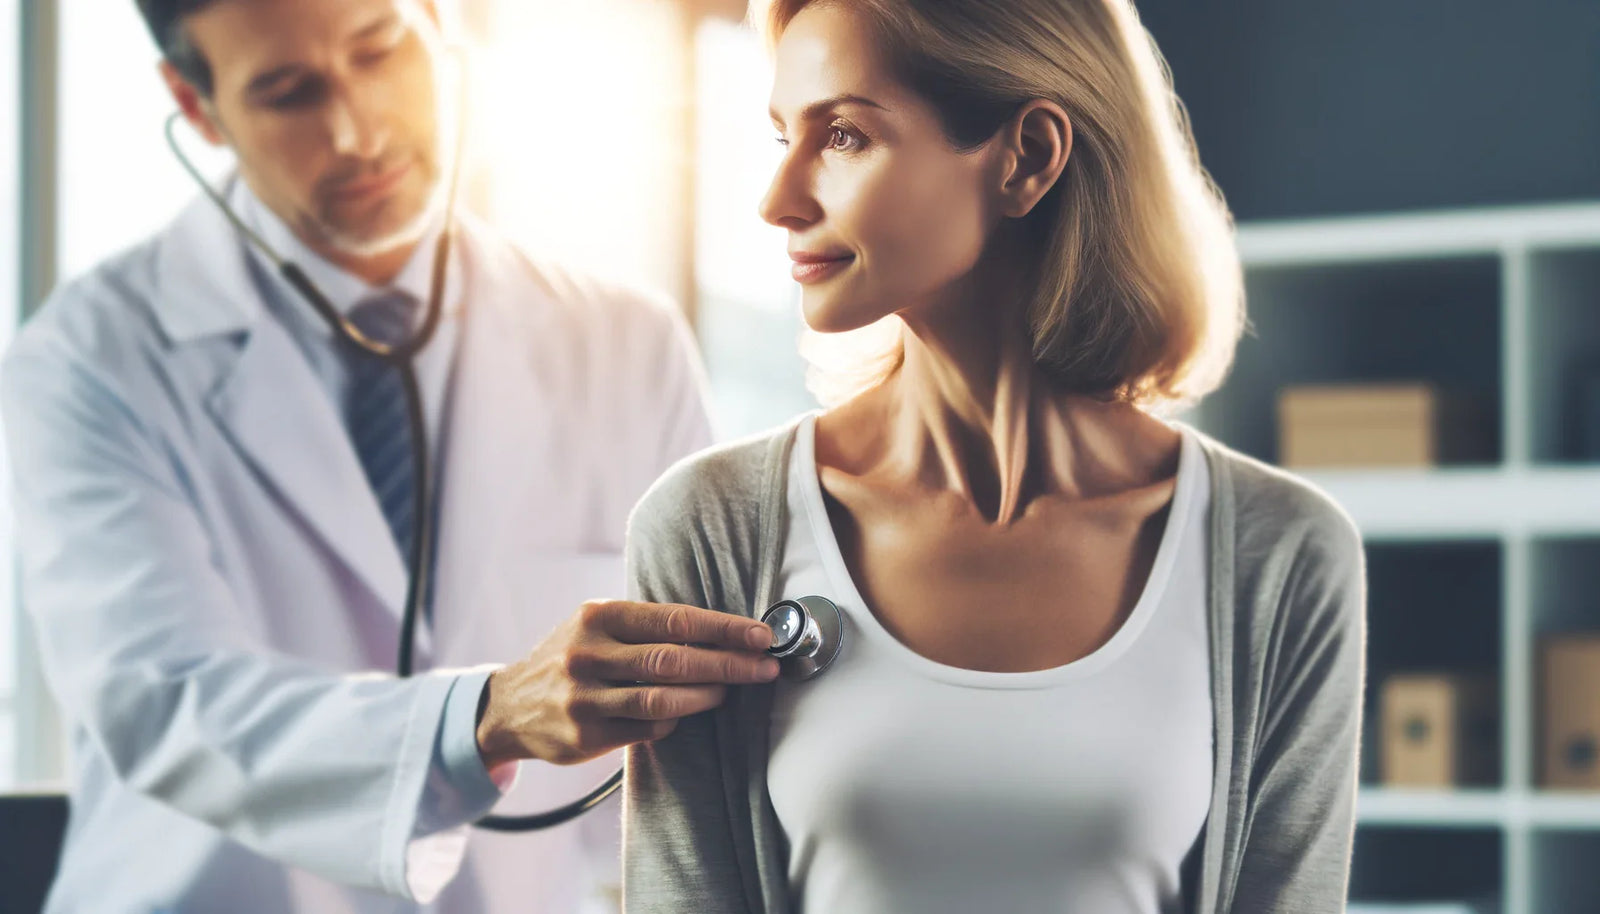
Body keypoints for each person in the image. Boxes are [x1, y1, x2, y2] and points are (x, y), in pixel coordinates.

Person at [0, 0, 782, 911]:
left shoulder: (624, 340)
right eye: (289, 94)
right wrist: (483, 718)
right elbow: (165, 703)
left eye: (379, 51)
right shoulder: (90, 357)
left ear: (441, 24)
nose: (358, 132)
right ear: (197, 104)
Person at [621, 0, 1367, 911]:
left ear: (1028, 159)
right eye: (786, 135)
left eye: (846, 135)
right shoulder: (710, 530)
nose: (778, 197)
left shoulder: (1281, 556)